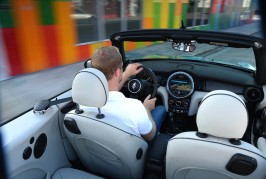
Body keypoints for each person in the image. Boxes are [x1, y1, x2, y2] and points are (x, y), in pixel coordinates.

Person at [91, 46, 166, 141]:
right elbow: (149, 136)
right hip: (135, 153)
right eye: (122, 67)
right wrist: (146, 109)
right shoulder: (135, 108)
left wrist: (126, 74)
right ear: (118, 72)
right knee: (161, 109)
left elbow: (109, 91)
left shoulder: (82, 102)